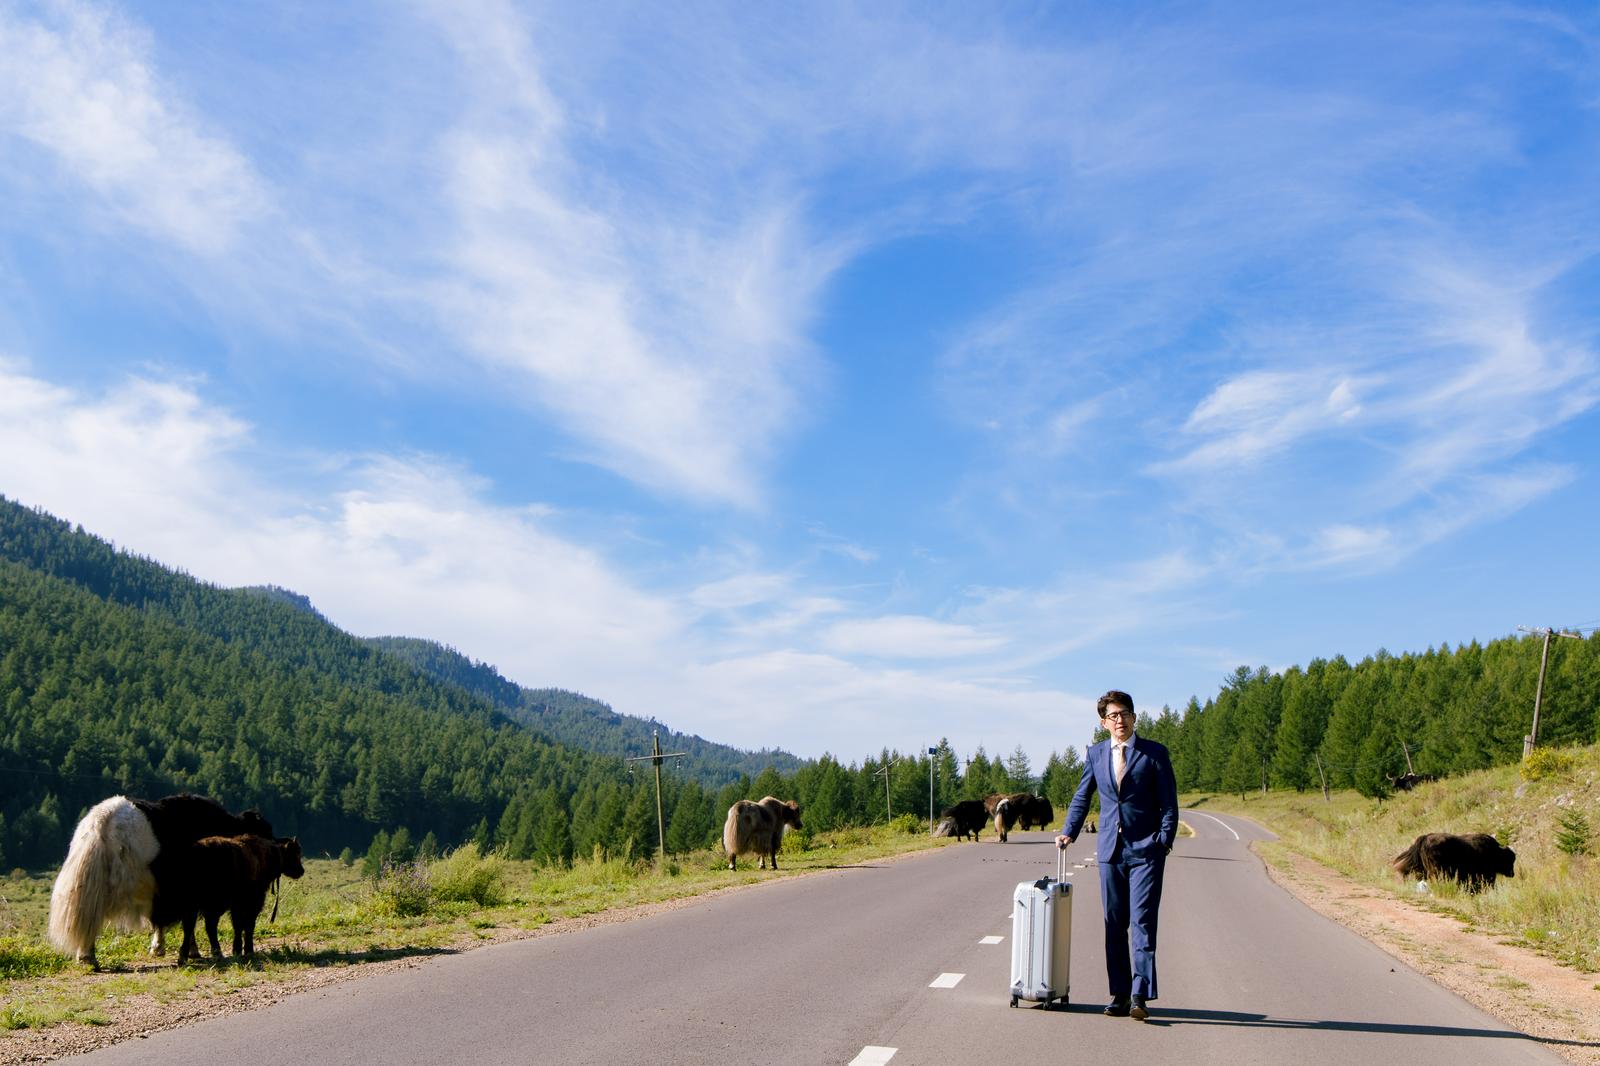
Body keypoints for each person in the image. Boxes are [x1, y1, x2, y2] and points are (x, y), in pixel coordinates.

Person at [1056, 690, 1178, 1021]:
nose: (1119, 720)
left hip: (1146, 851)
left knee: (1142, 922)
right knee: (1113, 924)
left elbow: (1169, 803)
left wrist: (1164, 840)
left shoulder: (1154, 754)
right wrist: (1070, 830)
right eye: (1113, 716)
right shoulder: (1096, 754)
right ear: (1103, 723)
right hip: (1110, 850)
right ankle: (1120, 994)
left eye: (1124, 713)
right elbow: (1083, 796)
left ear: (1134, 717)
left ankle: (1140, 995)